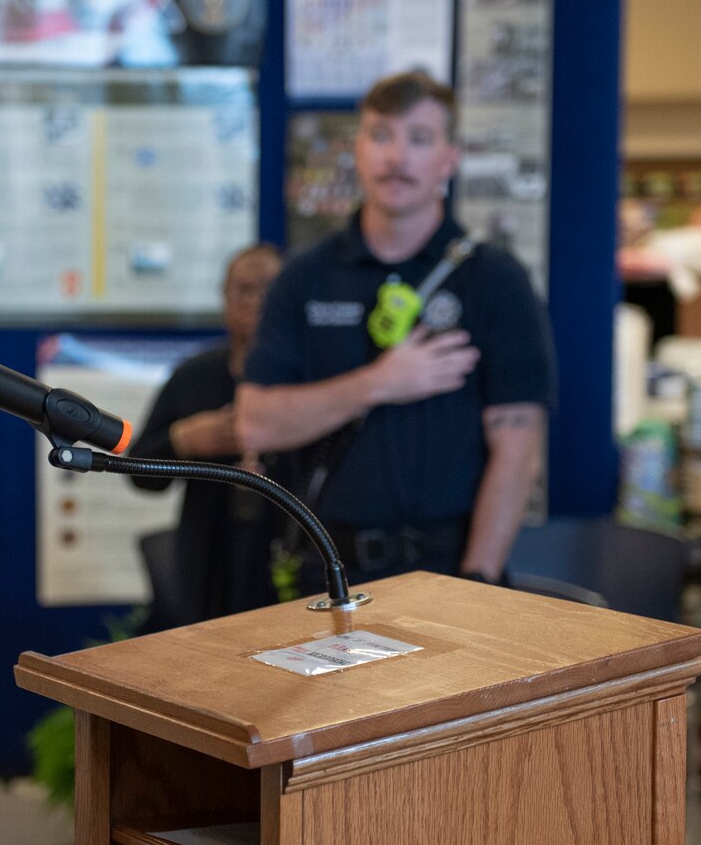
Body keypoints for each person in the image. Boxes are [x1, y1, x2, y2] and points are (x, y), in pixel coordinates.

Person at [236, 70, 555, 585]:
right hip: (326, 570)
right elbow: (255, 423)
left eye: (420, 139)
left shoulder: (495, 279)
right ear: (358, 150)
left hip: (452, 571)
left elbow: (517, 448)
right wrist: (380, 383)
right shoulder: (305, 276)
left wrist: (479, 577)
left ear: (449, 159)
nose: (397, 157)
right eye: (381, 135)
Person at [127, 242, 285, 626]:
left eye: (269, 288)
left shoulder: (313, 379)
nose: (256, 301)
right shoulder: (194, 376)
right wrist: (185, 440)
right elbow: (137, 471)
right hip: (208, 555)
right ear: (225, 299)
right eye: (243, 289)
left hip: (287, 553)